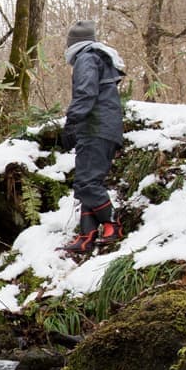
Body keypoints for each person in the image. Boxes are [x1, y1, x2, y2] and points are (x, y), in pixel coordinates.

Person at [59, 19, 125, 260]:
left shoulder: (86, 58)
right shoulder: (100, 58)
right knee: (88, 182)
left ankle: (112, 224)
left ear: (72, 44)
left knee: (86, 183)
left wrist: (72, 123)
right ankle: (86, 236)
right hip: (105, 128)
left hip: (95, 128)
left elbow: (86, 93)